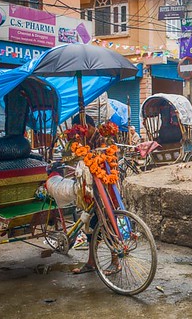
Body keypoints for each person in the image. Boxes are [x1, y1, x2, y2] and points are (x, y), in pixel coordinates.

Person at [71, 113, 120, 275]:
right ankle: (91, 262)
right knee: (91, 227)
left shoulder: (102, 140)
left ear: (89, 127)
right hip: (91, 190)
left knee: (107, 223)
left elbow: (106, 161)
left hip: (105, 190)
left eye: (81, 131)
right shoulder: (84, 142)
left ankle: (115, 261)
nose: (79, 135)